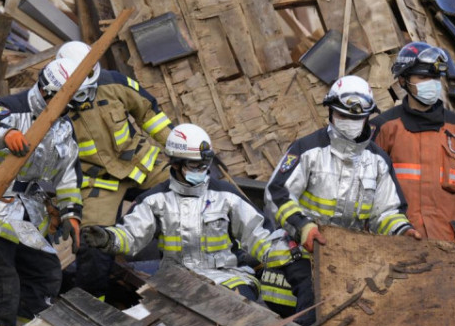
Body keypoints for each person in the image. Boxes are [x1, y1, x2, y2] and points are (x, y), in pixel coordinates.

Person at [81, 124, 313, 310]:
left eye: (205, 165)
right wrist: (108, 239)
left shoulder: (227, 196)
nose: (201, 171)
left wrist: (292, 255)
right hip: (175, 282)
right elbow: (131, 235)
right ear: (175, 163)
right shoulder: (155, 200)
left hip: (230, 278)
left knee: (239, 316)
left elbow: (260, 238)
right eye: (194, 165)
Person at [0, 58, 84, 326]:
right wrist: (4, 135)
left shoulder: (63, 127)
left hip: (29, 215)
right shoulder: (10, 107)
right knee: (1, 282)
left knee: (45, 273)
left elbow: (67, 174)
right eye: (64, 102)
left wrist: (71, 213)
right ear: (47, 92)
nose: (67, 110)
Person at [56, 40, 175, 298]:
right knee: (92, 242)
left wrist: (179, 148)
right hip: (97, 181)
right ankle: (94, 303)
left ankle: (178, 280)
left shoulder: (113, 82)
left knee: (183, 202)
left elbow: (149, 114)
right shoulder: (51, 105)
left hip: (142, 163)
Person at [265, 75, 419, 254]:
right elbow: (278, 193)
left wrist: (401, 231)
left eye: (357, 118)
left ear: (367, 117)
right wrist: (303, 227)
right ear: (330, 112)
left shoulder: (378, 161)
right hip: (300, 251)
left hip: (350, 257)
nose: (350, 123)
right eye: (343, 115)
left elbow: (387, 212)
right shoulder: (307, 150)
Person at [370, 42, 455, 242]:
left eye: (435, 78)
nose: (431, 83)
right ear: (403, 81)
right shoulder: (385, 127)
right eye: (423, 77)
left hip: (451, 242)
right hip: (400, 240)